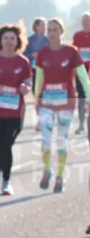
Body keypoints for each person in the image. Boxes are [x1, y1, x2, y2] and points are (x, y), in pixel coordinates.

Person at [34, 18, 90, 193]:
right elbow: (39, 79)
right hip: (47, 103)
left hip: (67, 102)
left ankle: (59, 176)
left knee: (62, 141)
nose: (51, 33)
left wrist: (88, 97)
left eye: (55, 29)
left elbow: (82, 76)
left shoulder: (71, 52)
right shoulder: (42, 53)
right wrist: (37, 99)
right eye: (49, 30)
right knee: (45, 141)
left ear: (61, 32)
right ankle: (46, 171)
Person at [0, 24, 32, 196]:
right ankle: (0, 166)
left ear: (17, 41)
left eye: (12, 38)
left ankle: (7, 181)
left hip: (15, 112)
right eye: (6, 38)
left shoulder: (23, 61)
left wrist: (26, 87)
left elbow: (28, 82)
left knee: (6, 146)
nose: (9, 42)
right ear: (0, 41)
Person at [73, 12, 90, 135]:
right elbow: (75, 52)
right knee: (81, 98)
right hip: (81, 71)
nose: (85, 22)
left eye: (87, 19)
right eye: (83, 20)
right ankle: (81, 124)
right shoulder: (77, 35)